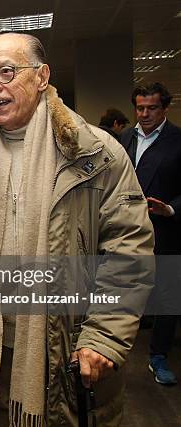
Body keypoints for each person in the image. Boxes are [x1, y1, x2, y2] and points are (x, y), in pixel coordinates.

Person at [0, 32, 154, 426]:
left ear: (42, 76)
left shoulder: (94, 153)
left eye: (7, 71)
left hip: (70, 345)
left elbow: (129, 250)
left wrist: (104, 335)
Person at [120, 82, 181, 386]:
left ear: (164, 108)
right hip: (124, 232)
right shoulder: (125, 138)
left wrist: (169, 209)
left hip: (165, 231)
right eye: (140, 107)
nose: (144, 114)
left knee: (168, 297)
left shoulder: (177, 140)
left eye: (152, 108)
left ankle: (158, 357)